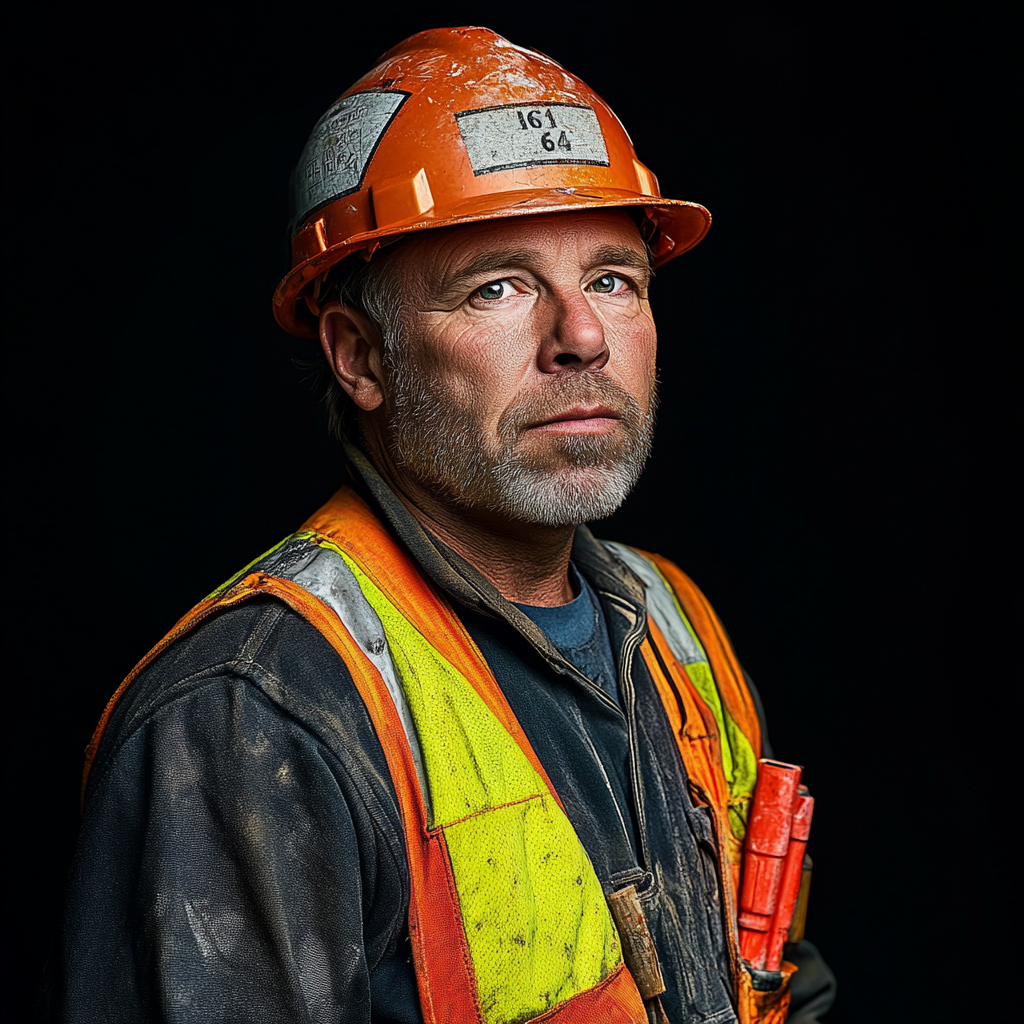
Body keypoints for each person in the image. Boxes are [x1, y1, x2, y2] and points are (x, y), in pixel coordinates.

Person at [40, 27, 836, 1024]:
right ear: (359, 358)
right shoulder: (258, 713)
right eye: (496, 286)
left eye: (613, 279)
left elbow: (769, 979)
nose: (581, 337)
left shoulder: (674, 627)